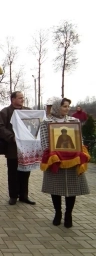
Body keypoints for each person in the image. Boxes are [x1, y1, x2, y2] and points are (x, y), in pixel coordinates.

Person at [40, 98, 89, 228]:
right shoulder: (47, 122)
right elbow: (44, 141)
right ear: (57, 107)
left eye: (68, 106)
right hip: (55, 159)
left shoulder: (74, 121)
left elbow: (79, 140)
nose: (67, 109)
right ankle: (58, 213)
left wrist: (80, 152)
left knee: (71, 189)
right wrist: (51, 155)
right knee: (55, 188)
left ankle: (68, 214)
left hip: (72, 160)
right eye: (64, 106)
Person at [0, 91, 36, 206]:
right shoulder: (5, 112)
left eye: (23, 97)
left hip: (27, 149)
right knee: (13, 173)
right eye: (19, 98)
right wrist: (12, 137)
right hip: (13, 148)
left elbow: (35, 124)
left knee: (25, 172)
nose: (22, 99)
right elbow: (0, 127)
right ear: (13, 99)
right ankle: (13, 196)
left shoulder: (28, 111)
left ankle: (24, 195)